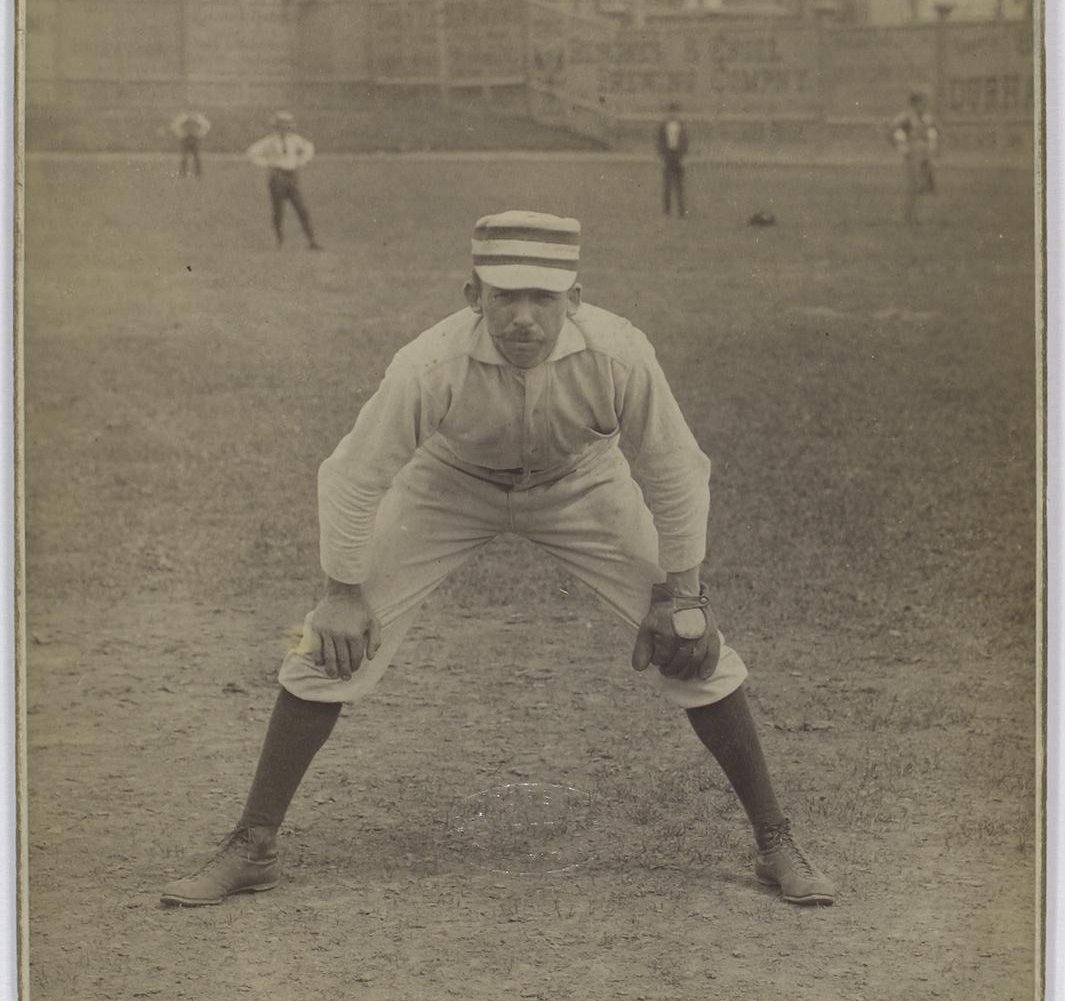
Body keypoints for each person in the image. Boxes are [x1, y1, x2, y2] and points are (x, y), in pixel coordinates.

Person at [161, 210, 834, 909]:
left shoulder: (619, 353)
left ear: (573, 301)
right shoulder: (429, 362)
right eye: (503, 295)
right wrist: (341, 590)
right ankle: (254, 842)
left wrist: (684, 592)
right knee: (319, 644)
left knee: (695, 645)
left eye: (542, 297)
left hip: (582, 483)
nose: (522, 318)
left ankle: (774, 840)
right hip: (449, 483)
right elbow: (353, 472)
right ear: (470, 295)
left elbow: (673, 466)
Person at [246, 111, 323, 250]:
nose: (285, 127)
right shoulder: (269, 141)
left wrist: (301, 160)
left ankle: (312, 241)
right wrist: (268, 164)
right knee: (278, 210)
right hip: (277, 177)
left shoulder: (295, 140)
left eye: (287, 124)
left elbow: (309, 148)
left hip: (292, 176)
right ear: (276, 126)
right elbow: (252, 152)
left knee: (302, 209)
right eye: (281, 124)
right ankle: (279, 241)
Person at [889, 90, 940, 224]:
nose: (924, 106)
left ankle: (919, 216)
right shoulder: (905, 118)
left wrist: (932, 147)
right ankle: (909, 216)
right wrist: (902, 146)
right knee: (913, 184)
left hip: (925, 153)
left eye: (925, 103)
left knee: (925, 184)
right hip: (912, 152)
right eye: (921, 103)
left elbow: (933, 132)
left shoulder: (927, 118)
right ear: (914, 104)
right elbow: (894, 132)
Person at [655, 101, 689, 219]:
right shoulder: (663, 125)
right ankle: (666, 210)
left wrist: (684, 156)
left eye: (675, 112)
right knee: (667, 185)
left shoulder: (682, 125)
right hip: (668, 155)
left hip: (678, 155)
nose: (673, 114)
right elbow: (660, 142)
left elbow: (685, 142)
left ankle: (681, 211)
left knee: (679, 185)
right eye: (671, 112)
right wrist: (662, 156)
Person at [171, 110, 210, 178]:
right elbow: (175, 126)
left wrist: (199, 134)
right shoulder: (183, 117)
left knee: (196, 156)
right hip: (186, 138)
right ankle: (183, 172)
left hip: (194, 138)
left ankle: (198, 172)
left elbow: (206, 125)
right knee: (185, 156)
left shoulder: (198, 117)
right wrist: (182, 134)